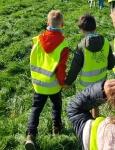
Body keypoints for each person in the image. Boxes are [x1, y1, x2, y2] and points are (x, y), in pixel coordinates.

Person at [24, 10, 69, 150]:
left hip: (38, 83)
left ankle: (30, 134)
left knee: (36, 108)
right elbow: (61, 69)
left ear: (47, 23)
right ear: (62, 24)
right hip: (54, 84)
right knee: (56, 105)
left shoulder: (37, 39)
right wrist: (63, 83)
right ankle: (56, 127)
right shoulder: (63, 44)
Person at [64, 14, 115, 118]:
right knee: (95, 103)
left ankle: (88, 126)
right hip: (101, 84)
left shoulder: (81, 46)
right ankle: (96, 120)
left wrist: (68, 83)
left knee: (84, 106)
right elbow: (111, 63)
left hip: (85, 87)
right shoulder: (105, 42)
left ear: (82, 30)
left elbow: (75, 67)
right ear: (95, 28)